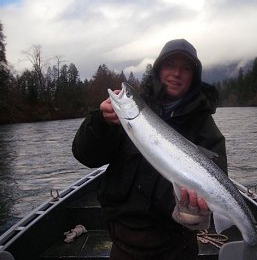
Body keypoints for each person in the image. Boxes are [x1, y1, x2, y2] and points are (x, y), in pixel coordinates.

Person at [72, 39, 227, 260]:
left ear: (194, 76)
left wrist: (195, 212)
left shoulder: (205, 128)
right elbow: (85, 156)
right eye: (170, 65)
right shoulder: (123, 116)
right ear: (158, 69)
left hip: (176, 248)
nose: (176, 73)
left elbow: (218, 184)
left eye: (186, 68)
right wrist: (100, 122)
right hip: (123, 244)